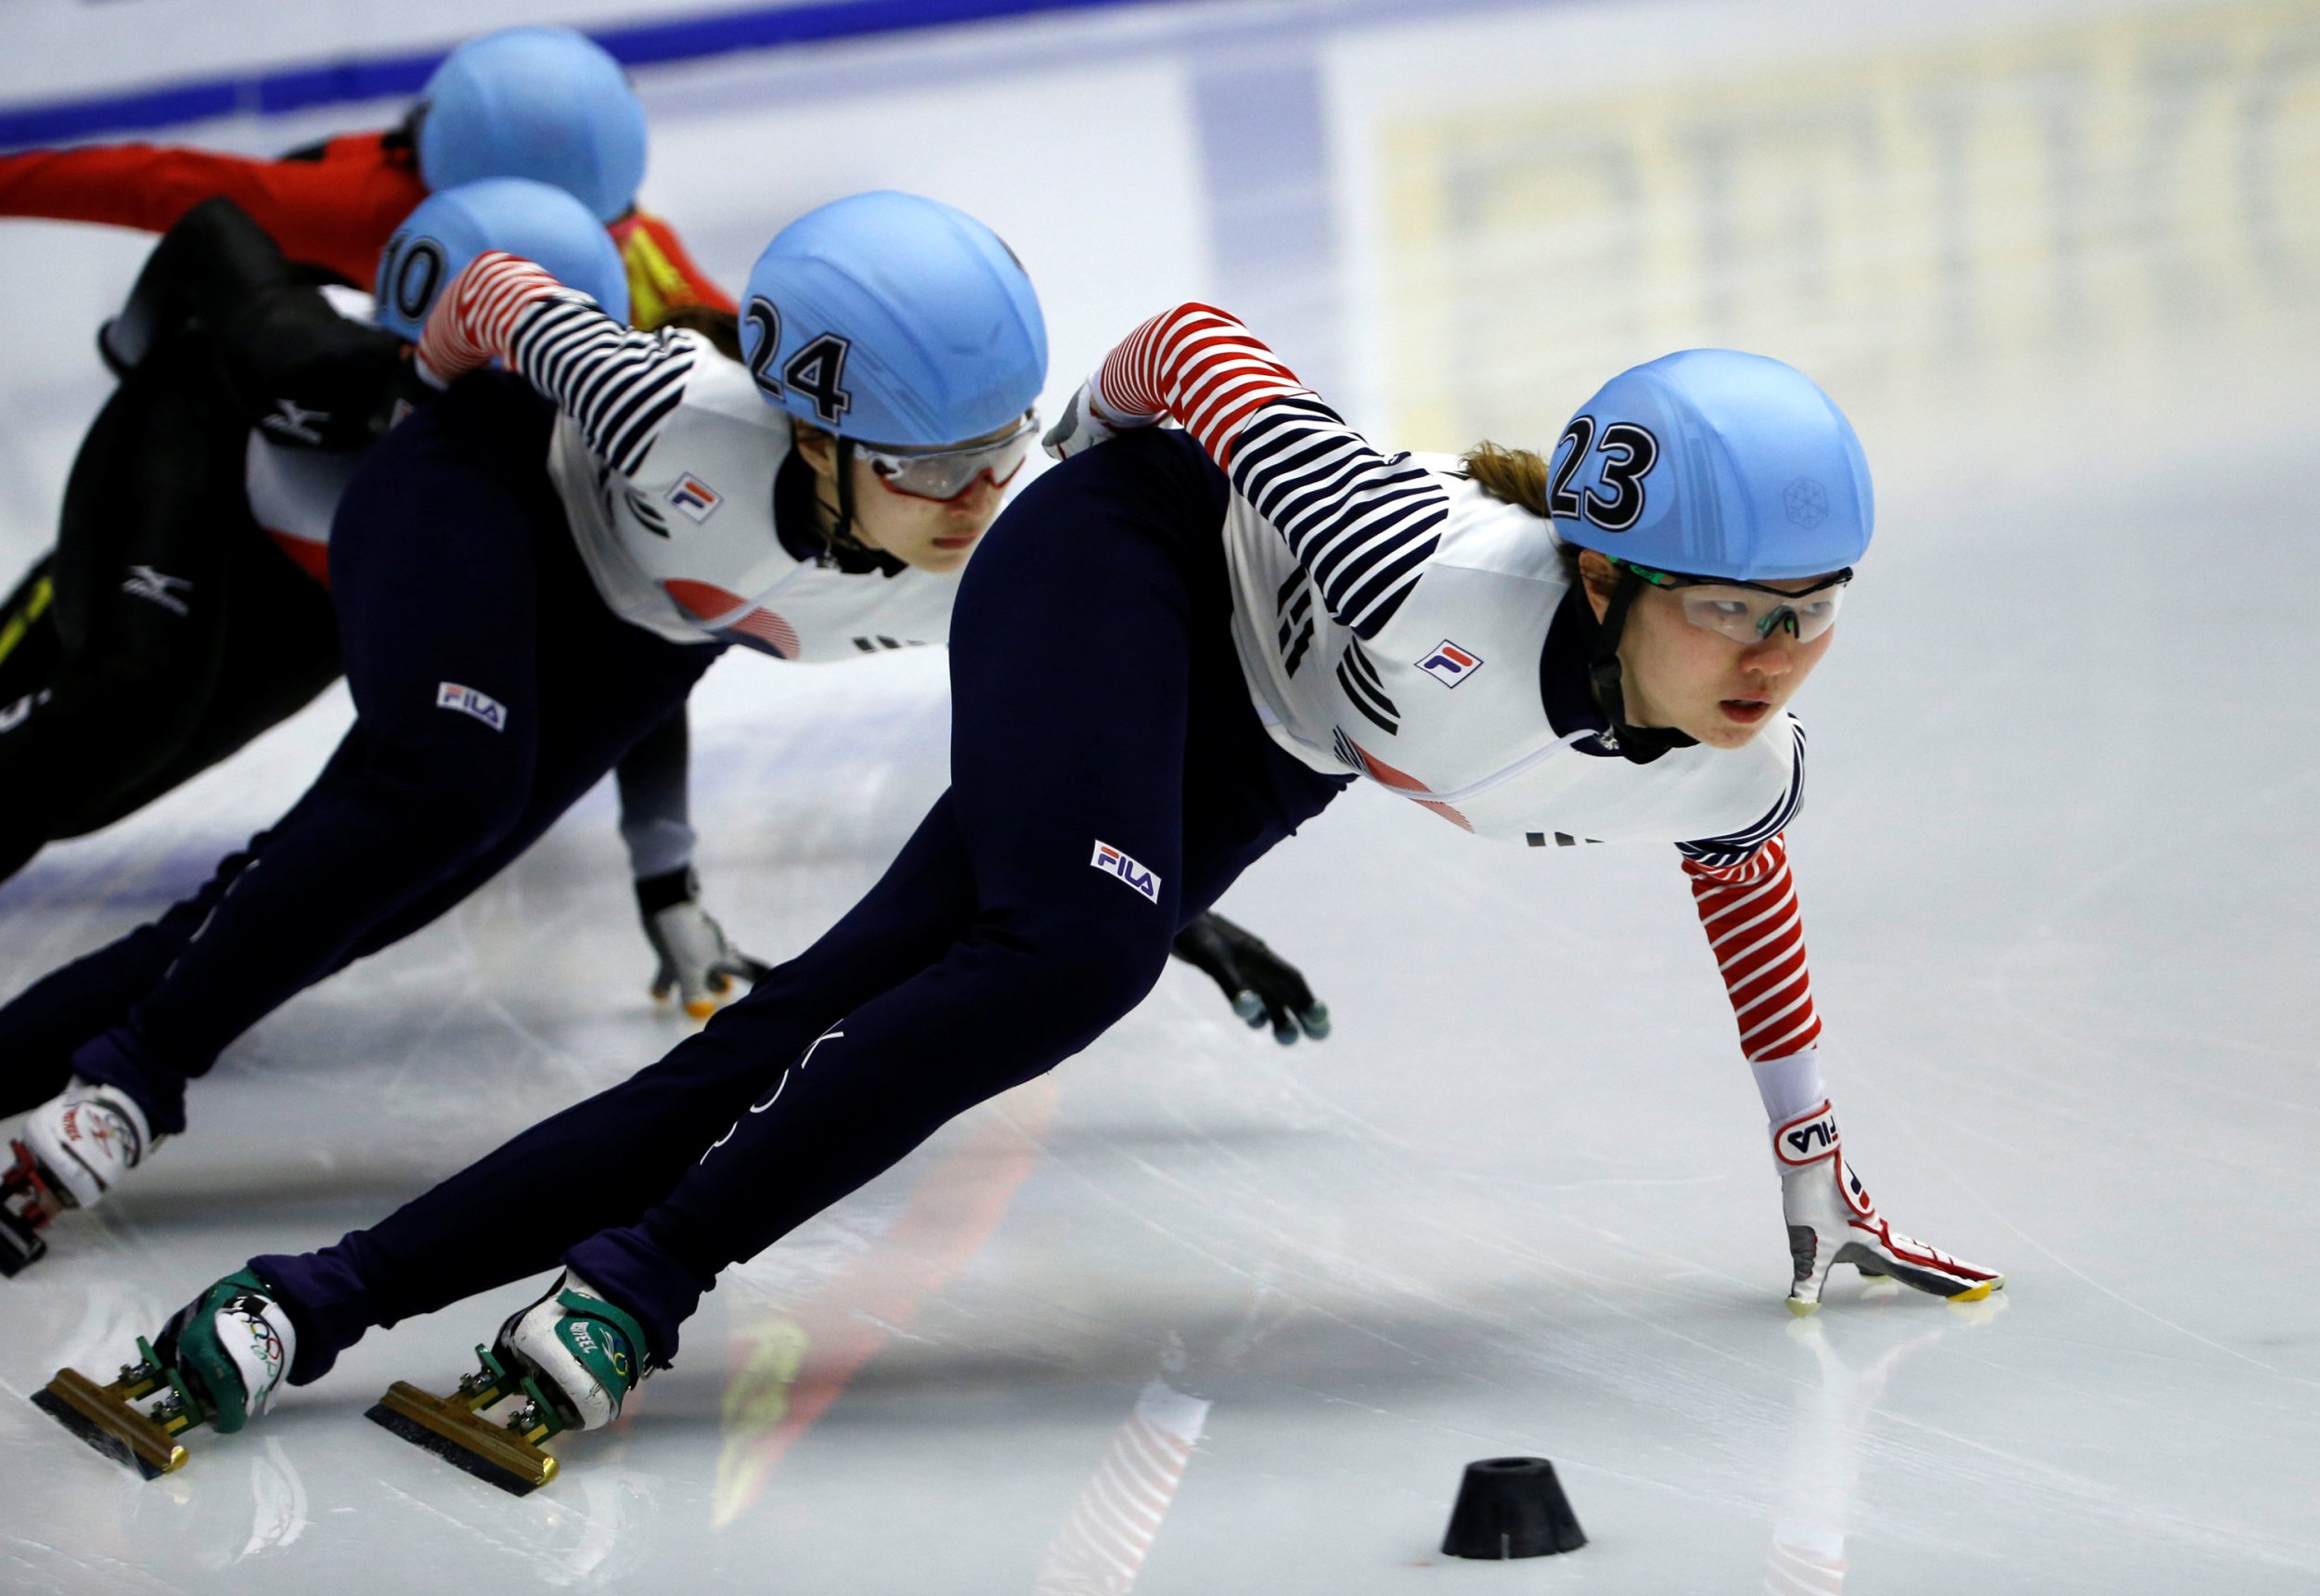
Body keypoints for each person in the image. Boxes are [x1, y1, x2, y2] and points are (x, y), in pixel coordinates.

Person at [38, 301, 2002, 1490]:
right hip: (1121, 562)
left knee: (828, 1010)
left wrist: (1808, 1166)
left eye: (1809, 616)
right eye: (1730, 609)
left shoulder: (1745, 750)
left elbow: (1740, 887)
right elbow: (1186, 357)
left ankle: (315, 1299)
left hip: (1252, 744)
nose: (1771, 653)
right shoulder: (1415, 561)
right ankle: (638, 1287)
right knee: (1074, 943)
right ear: (1595, 574)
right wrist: (1070, 490)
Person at [0, 202, 1325, 1282]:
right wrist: (417, 395)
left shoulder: (983, 556)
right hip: (481, 492)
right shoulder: (666, 407)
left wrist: (1171, 908)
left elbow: (1068, 747)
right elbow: (495, 291)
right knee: (447, 782)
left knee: (351, 896)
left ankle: (36, 1064)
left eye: (1000, 449)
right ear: (808, 425)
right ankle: (125, 1088)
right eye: (929, 466)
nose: (976, 498)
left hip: (639, 628)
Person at [0, 25, 752, 1004]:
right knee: (130, 696)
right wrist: (135, 350)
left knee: (96, 781)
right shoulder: (339, 280)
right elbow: (190, 213)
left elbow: (644, 642)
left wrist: (667, 880)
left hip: (319, 533)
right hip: (241, 428)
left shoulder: (627, 301)